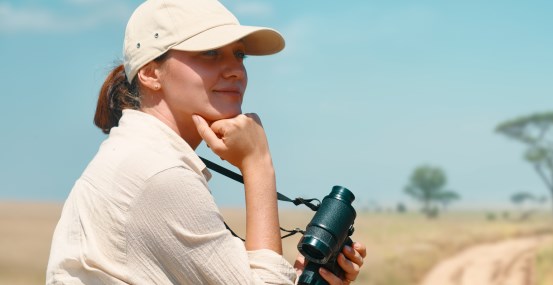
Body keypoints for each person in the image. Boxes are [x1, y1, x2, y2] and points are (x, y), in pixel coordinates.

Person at [45, 0, 366, 284]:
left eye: (238, 54)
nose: (235, 71)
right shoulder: (159, 174)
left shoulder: (138, 155)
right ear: (150, 72)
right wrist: (258, 163)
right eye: (210, 52)